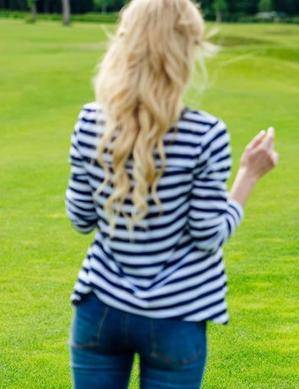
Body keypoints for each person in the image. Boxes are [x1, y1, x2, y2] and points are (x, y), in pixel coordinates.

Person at [64, 0, 278, 387]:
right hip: (177, 316)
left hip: (100, 309)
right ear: (186, 50)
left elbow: (80, 218)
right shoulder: (205, 134)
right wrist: (248, 176)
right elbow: (208, 235)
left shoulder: (90, 121)